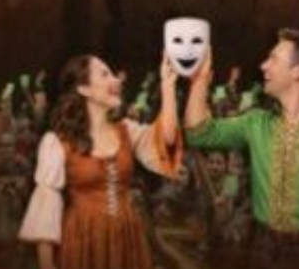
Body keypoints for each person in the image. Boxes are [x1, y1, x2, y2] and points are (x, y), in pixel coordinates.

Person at [184, 29, 299, 269]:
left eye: (273, 59)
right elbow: (198, 134)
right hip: (264, 249)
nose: (263, 65)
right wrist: (199, 81)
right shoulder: (255, 123)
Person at [18, 53, 182, 269]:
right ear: (84, 89)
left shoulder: (127, 131)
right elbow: (46, 210)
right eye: (105, 74)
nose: (116, 80)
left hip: (127, 241)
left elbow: (167, 142)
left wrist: (168, 87)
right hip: (83, 242)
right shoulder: (57, 143)